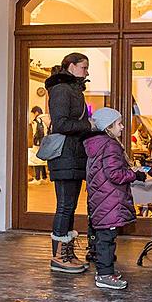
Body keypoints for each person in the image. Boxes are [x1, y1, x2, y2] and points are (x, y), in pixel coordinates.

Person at [83, 108, 148, 290]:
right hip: (109, 199)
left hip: (103, 198)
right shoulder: (110, 145)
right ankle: (104, 275)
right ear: (108, 126)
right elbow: (114, 174)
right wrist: (134, 175)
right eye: (119, 123)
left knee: (105, 237)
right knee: (106, 239)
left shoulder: (97, 143)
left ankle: (106, 271)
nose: (122, 127)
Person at [45, 52, 93, 273]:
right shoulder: (62, 90)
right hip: (65, 155)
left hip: (72, 155)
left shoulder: (71, 89)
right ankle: (59, 258)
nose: (86, 72)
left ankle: (67, 253)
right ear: (71, 66)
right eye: (84, 67)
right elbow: (61, 124)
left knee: (69, 207)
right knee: (65, 206)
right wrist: (88, 125)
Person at [29, 106, 48, 183]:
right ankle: (44, 177)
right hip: (45, 142)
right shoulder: (45, 118)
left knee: (36, 159)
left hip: (38, 143)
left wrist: (36, 141)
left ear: (36, 112)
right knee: (42, 159)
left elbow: (39, 131)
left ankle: (37, 178)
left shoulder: (38, 120)